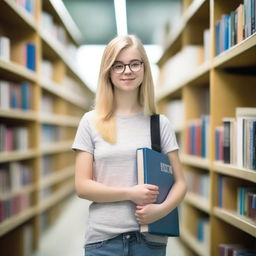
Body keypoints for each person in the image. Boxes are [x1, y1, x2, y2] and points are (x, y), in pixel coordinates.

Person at [72, 34, 187, 256]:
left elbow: (180, 183)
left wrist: (160, 210)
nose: (127, 71)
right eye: (118, 65)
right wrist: (129, 193)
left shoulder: (159, 124)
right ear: (108, 71)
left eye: (135, 63)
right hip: (103, 241)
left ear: (144, 69)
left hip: (150, 241)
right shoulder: (90, 121)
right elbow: (82, 186)